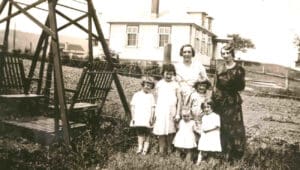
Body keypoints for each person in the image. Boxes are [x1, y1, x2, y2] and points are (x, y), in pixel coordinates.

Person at [211, 44, 246, 161]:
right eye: (223, 53)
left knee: (234, 128)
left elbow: (241, 87)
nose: (225, 56)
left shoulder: (239, 69)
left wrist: (231, 85)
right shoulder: (219, 68)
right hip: (220, 101)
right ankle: (221, 153)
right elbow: (215, 85)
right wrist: (214, 99)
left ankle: (234, 155)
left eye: (228, 53)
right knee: (221, 126)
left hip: (232, 102)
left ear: (232, 54)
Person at [153, 64, 182, 155]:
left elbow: (179, 100)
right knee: (161, 130)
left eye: (171, 74)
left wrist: (177, 113)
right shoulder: (159, 84)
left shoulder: (176, 85)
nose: (169, 76)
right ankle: (162, 148)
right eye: (167, 74)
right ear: (163, 73)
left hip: (171, 111)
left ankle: (170, 148)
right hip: (161, 110)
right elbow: (156, 99)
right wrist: (154, 113)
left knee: (170, 130)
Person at [130, 76, 156, 155]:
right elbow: (133, 107)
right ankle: (140, 147)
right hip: (139, 117)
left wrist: (151, 117)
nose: (148, 87)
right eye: (147, 84)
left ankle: (145, 149)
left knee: (148, 133)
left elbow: (153, 108)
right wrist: (133, 117)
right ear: (143, 84)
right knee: (140, 133)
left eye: (150, 85)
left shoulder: (151, 96)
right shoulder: (136, 95)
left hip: (147, 117)